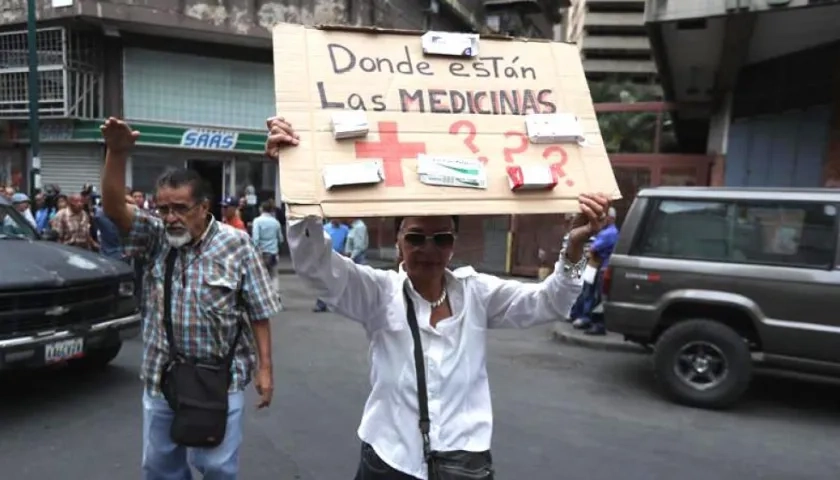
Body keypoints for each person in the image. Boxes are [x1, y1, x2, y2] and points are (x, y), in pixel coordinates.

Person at [266, 116, 610, 480]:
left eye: (441, 238)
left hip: (463, 464)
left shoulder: (476, 292)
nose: (428, 249)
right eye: (416, 238)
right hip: (389, 460)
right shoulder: (379, 293)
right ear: (399, 240)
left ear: (454, 245)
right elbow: (314, 264)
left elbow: (551, 303)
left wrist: (574, 245)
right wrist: (297, 178)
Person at [99, 117, 282, 480]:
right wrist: (116, 153)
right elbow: (114, 209)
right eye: (164, 208)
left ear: (203, 207)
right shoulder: (155, 238)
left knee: (216, 466)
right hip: (161, 374)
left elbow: (259, 312)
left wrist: (265, 369)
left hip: (220, 377)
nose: (171, 217)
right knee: (159, 466)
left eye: (180, 208)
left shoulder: (237, 244)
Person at [313, 217, 350, 313]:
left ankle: (338, 304)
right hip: (326, 256)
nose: (337, 220)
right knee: (324, 280)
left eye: (338, 218)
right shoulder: (325, 228)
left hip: (340, 257)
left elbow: (347, 241)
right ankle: (321, 303)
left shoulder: (345, 229)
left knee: (340, 280)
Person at [251, 200, 284, 298]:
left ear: (261, 209)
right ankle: (276, 295)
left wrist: (254, 249)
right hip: (273, 252)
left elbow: (255, 238)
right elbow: (280, 239)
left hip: (261, 253)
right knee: (273, 275)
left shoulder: (257, 221)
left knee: (260, 276)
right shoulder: (276, 222)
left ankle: (262, 296)